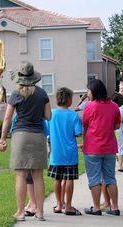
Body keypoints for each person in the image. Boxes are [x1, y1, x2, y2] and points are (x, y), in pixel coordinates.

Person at [0, 61, 51, 221]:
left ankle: (21, 212)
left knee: (20, 175)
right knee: (38, 176)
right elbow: (48, 117)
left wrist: (2, 138)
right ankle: (40, 212)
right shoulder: (42, 94)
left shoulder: (15, 94)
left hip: (20, 136)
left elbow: (7, 117)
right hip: (38, 136)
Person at [82, 79, 120, 216]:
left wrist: (85, 141)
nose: (87, 93)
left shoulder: (89, 106)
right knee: (110, 178)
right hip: (109, 147)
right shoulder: (114, 106)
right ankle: (114, 208)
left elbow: (85, 126)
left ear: (93, 91)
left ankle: (97, 208)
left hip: (93, 147)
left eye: (88, 90)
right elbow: (117, 126)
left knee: (94, 179)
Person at [47, 87, 83, 216]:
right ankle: (68, 206)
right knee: (69, 179)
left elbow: (47, 132)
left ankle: (58, 204)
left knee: (57, 179)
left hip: (56, 154)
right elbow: (78, 133)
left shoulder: (51, 114)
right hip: (70, 153)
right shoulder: (73, 115)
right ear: (68, 100)